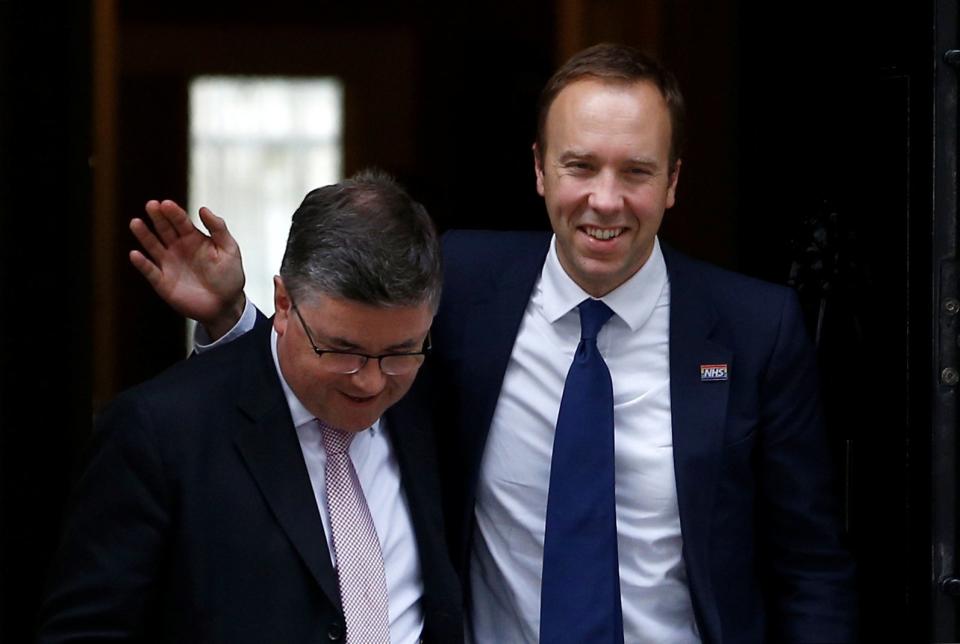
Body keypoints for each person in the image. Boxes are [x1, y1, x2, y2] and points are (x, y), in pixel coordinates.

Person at [132, 44, 857, 643]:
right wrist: (234, 319)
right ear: (540, 168)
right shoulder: (465, 286)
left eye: (636, 171)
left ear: (672, 182)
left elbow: (811, 568)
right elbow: (349, 366)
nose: (606, 200)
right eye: (580, 166)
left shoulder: (755, 329)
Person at [37, 170, 463, 644]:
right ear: (283, 303)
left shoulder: (436, 405)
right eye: (343, 350)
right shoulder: (159, 434)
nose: (370, 381)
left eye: (400, 352)